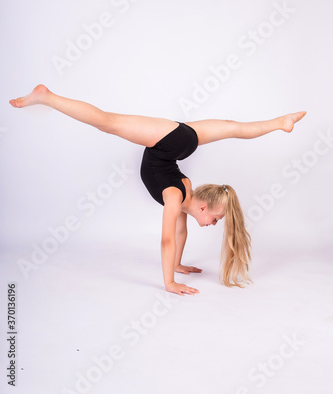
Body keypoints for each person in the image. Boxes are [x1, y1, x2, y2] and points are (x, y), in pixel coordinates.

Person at [9, 85, 306, 296]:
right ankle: (47, 96)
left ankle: (281, 122)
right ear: (203, 208)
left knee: (232, 127)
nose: (213, 224)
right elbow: (166, 240)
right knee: (107, 122)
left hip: (180, 141)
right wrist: (169, 282)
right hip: (168, 142)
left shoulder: (187, 194)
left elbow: (179, 233)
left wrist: (178, 264)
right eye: (215, 219)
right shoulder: (176, 196)